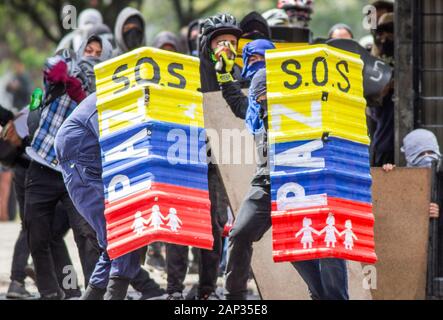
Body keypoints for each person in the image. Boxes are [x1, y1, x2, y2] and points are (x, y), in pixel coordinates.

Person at [212, 38, 349, 300]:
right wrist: (224, 73)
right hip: (265, 183)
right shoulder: (252, 107)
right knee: (240, 234)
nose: (262, 99)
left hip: (304, 178)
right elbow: (235, 99)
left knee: (319, 245)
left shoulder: (300, 101)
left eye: (262, 61)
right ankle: (234, 299)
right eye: (251, 61)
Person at [22, 36, 109, 299]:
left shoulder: (105, 85)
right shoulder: (63, 78)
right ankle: (52, 293)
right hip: (40, 165)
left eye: (98, 51)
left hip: (76, 171)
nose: (93, 54)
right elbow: (52, 68)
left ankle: (96, 292)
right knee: (36, 234)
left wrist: (81, 90)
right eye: (89, 50)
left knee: (88, 235)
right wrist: (65, 75)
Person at [382, 129, 441, 219]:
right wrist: (387, 177)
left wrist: (439, 215)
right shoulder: (402, 180)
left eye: (431, 152)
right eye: (420, 154)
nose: (426, 157)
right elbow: (388, 209)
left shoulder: (441, 177)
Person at [368, 13, 395, 167]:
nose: (385, 37)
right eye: (381, 32)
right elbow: (371, 109)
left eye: (389, 30)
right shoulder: (376, 61)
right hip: (383, 143)